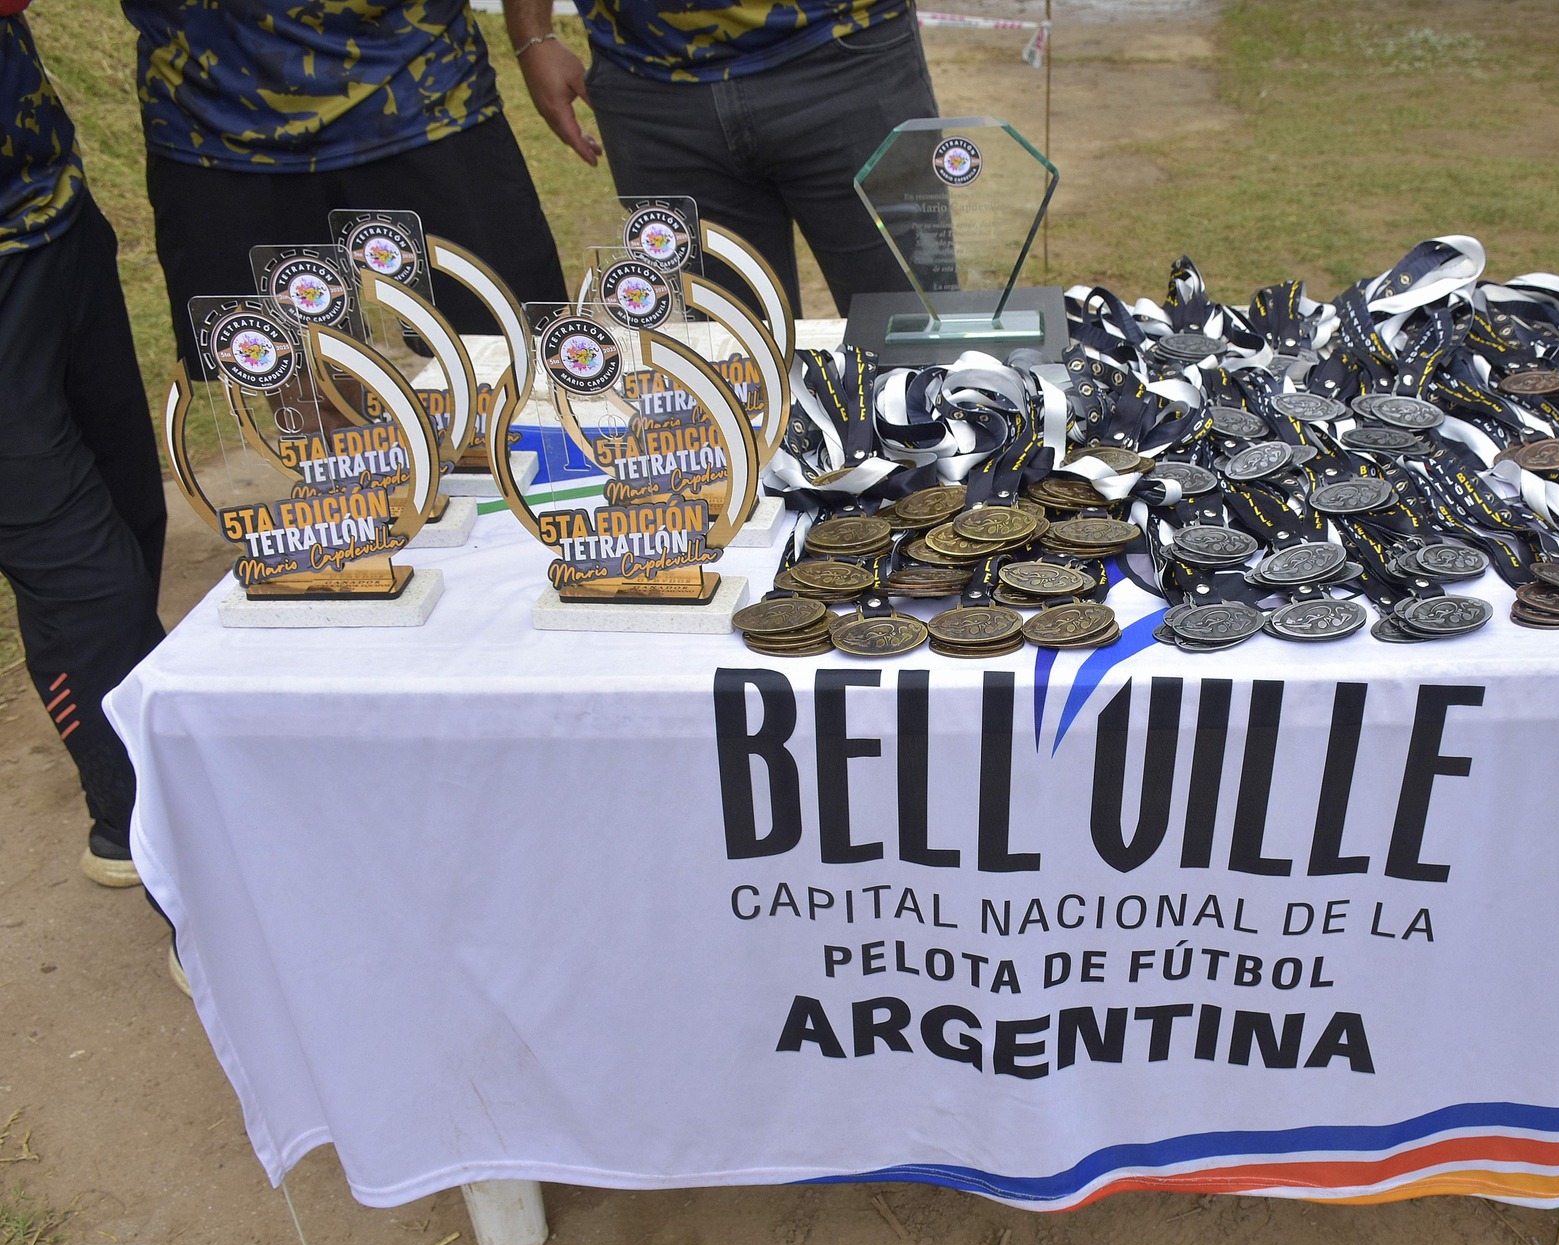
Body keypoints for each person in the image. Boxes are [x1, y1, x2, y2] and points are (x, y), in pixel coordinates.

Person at [124, 0, 569, 373]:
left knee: (514, 370)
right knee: (302, 388)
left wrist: (535, 37)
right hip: (212, 114)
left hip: (424, 90)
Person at [0, 6, 168, 893]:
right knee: (86, 581)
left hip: (50, 213)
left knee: (132, 520)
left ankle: (141, 808)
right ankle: (157, 838)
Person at [504, 0, 937, 316]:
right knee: (730, 380)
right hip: (647, 80)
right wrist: (531, 34)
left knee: (913, 361)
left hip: (845, 49)